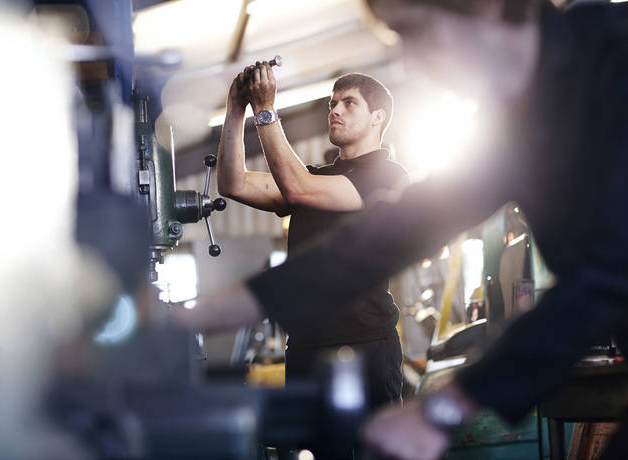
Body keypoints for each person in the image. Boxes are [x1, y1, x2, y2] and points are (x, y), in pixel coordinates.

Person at [176, 0, 628, 458]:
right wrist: (198, 316)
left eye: (415, 31)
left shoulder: (615, 58)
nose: (409, 62)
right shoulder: (520, 119)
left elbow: (609, 272)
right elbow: (398, 231)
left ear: (485, 7)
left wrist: (445, 408)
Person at [216, 67, 410, 410]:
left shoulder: (388, 176)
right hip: (306, 346)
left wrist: (265, 111)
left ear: (377, 117)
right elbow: (234, 183)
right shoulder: (314, 177)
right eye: (332, 103)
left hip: (364, 345)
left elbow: (297, 188)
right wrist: (235, 108)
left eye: (349, 103)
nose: (334, 110)